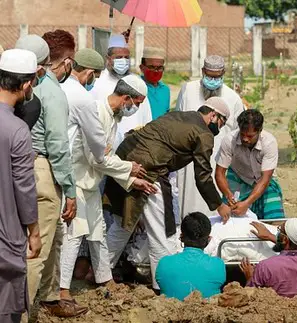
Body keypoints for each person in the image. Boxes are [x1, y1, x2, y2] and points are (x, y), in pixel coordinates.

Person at [104, 97, 233, 291]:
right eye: (221, 123)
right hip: (148, 172)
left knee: (122, 226)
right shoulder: (203, 132)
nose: (220, 129)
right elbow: (203, 175)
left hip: (123, 164)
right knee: (163, 232)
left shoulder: (179, 116)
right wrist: (218, 204)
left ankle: (100, 273)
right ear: (213, 115)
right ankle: (163, 285)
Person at [59, 69, 156, 302]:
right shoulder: (98, 113)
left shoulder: (113, 116)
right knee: (74, 235)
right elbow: (96, 158)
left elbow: (104, 158)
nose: (136, 109)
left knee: (97, 232)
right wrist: (128, 170)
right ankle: (62, 289)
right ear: (126, 99)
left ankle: (105, 278)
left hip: (91, 183)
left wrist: (131, 179)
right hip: (78, 182)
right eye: (137, 103)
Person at [16, 31, 86, 317]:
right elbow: (57, 145)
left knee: (51, 238)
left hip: (17, 165)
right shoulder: (51, 91)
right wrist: (69, 190)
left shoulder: (10, 85)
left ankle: (49, 296)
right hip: (43, 169)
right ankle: (20, 313)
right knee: (36, 247)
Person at [0, 49, 42, 323]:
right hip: (6, 233)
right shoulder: (16, 129)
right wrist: (34, 232)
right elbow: (24, 188)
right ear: (26, 84)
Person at [176, 55, 245, 218]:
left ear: (223, 73)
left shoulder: (233, 98)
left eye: (217, 77)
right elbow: (178, 121)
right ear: (202, 72)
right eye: (209, 76)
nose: (213, 80)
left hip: (217, 161)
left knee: (213, 209)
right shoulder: (188, 90)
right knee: (187, 206)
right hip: (188, 159)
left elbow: (238, 135)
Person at [215, 110, 284, 219]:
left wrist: (247, 203)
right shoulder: (229, 140)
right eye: (242, 134)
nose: (245, 139)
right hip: (237, 177)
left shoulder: (269, 143)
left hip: (263, 180)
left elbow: (265, 179)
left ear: (259, 131)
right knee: (230, 216)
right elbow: (219, 173)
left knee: (274, 219)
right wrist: (229, 195)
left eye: (250, 136)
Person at [91, 34, 152, 150]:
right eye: (119, 57)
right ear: (108, 58)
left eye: (126, 57)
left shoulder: (137, 83)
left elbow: (146, 117)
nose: (123, 61)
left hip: (134, 146)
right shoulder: (97, 83)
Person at [240, 218, 297, 298]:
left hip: (275, 309)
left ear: (285, 239)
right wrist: (270, 236)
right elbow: (295, 246)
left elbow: (250, 295)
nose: (277, 233)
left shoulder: (266, 266)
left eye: (279, 231)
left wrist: (250, 276)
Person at [156, 212, 226, 300]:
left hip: (170, 312)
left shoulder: (164, 263)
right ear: (208, 239)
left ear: (181, 237)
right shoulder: (218, 265)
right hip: (206, 312)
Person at [140, 47, 170, 120]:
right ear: (142, 68)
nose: (156, 71)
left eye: (159, 68)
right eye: (151, 67)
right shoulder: (137, 87)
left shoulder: (165, 90)